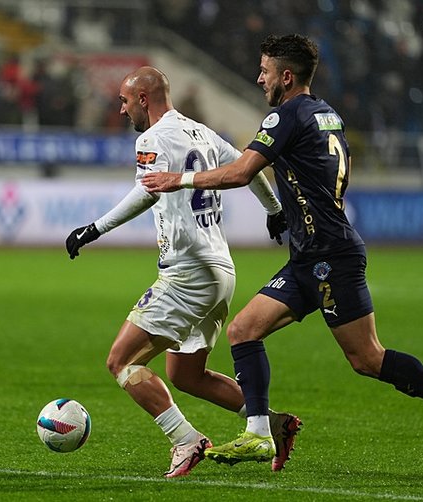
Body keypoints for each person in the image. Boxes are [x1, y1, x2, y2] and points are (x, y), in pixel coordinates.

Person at [142, 35, 423, 467]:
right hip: (309, 254)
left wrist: (178, 180)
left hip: (331, 256)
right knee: (243, 330)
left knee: (366, 358)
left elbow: (240, 173)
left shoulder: (284, 116)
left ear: (286, 77)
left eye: (265, 72)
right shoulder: (328, 114)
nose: (259, 78)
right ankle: (258, 434)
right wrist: (289, 209)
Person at [65, 66, 302, 478]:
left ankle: (186, 440)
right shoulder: (201, 131)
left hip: (187, 273)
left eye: (124, 101)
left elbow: (147, 191)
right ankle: (273, 424)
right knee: (186, 375)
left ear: (143, 98)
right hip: (221, 272)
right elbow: (251, 168)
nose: (121, 111)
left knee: (121, 361)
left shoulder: (151, 138)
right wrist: (275, 211)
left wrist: (94, 229)